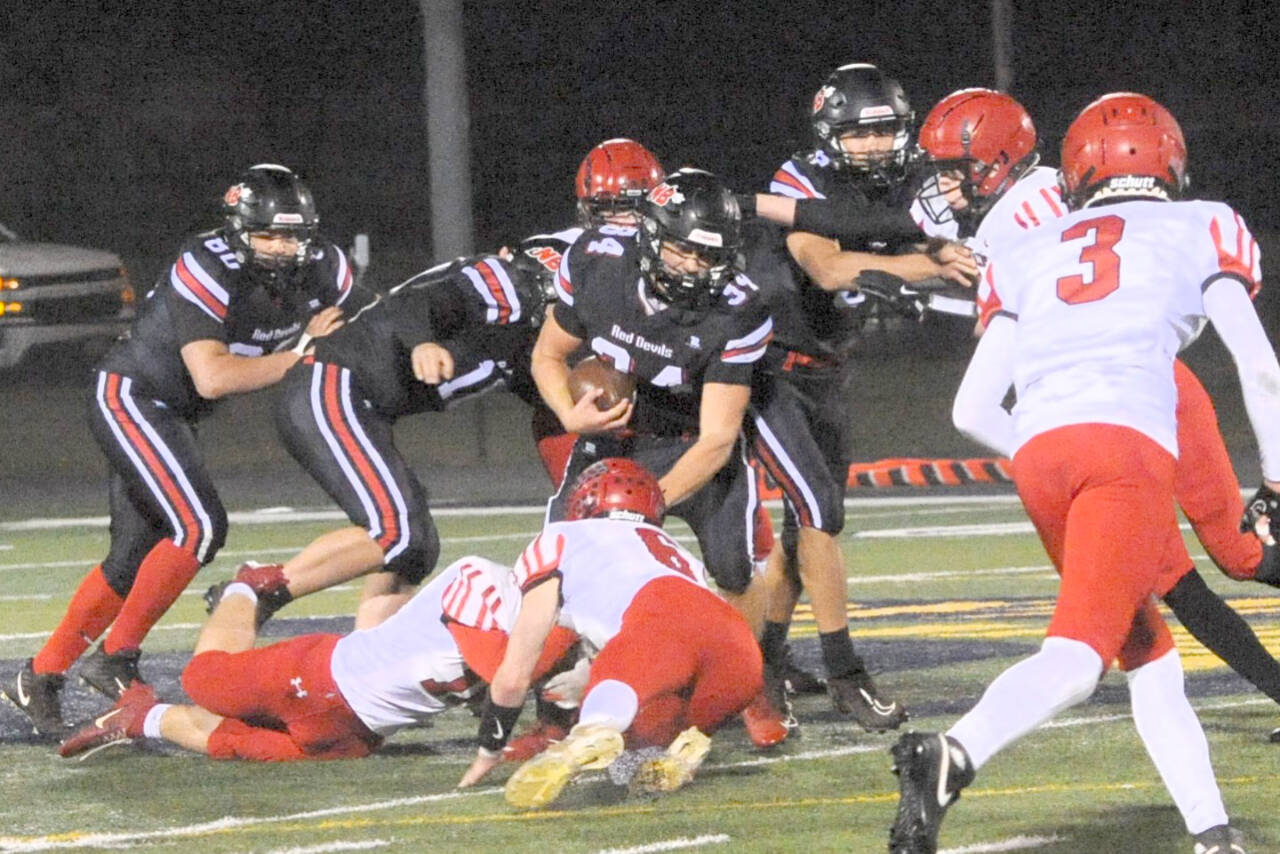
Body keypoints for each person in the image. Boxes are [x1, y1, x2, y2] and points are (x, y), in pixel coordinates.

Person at [888, 92, 1267, 854]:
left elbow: (970, 407)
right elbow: (1259, 368)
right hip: (1126, 436)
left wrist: (1047, 446)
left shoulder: (1030, 243)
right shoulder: (1204, 221)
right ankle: (955, 752)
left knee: (1149, 651)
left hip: (1042, 448)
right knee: (1077, 656)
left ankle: (1212, 833)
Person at [2, 164, 359, 739]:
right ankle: (115, 657)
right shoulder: (207, 263)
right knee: (197, 527)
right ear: (239, 230)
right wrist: (305, 355)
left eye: (294, 235)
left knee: (132, 556)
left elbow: (364, 320)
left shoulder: (326, 266)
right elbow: (213, 376)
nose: (283, 247)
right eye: (269, 234)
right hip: (133, 396)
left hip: (175, 411)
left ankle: (39, 676)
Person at [741, 63, 978, 735]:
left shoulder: (915, 180)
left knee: (802, 526)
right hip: (766, 366)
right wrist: (930, 261)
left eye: (884, 131)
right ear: (828, 134)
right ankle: (846, 673)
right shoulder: (801, 177)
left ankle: (765, 659)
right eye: (858, 132)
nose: (874, 145)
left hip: (827, 367)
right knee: (821, 512)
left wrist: (937, 245)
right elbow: (830, 266)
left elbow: (941, 234)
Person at [205, 236, 563, 630]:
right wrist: (422, 342)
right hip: (331, 384)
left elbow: (558, 407)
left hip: (355, 402)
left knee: (414, 548)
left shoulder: (528, 346)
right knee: (398, 532)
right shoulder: (500, 283)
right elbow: (413, 303)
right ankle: (257, 588)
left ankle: (368, 657)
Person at [456, 458, 763, 807]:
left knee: (612, 704)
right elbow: (684, 638)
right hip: (739, 652)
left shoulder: (560, 536)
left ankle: (591, 732)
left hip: (660, 617)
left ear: (584, 501)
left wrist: (488, 751)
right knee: (637, 751)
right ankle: (680, 748)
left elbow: (515, 675)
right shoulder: (674, 550)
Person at [58, 555, 578, 761]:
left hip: (358, 731)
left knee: (236, 746)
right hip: (313, 674)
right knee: (205, 679)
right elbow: (503, 672)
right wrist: (569, 656)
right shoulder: (483, 582)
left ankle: (139, 717)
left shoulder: (553, 625)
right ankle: (247, 590)